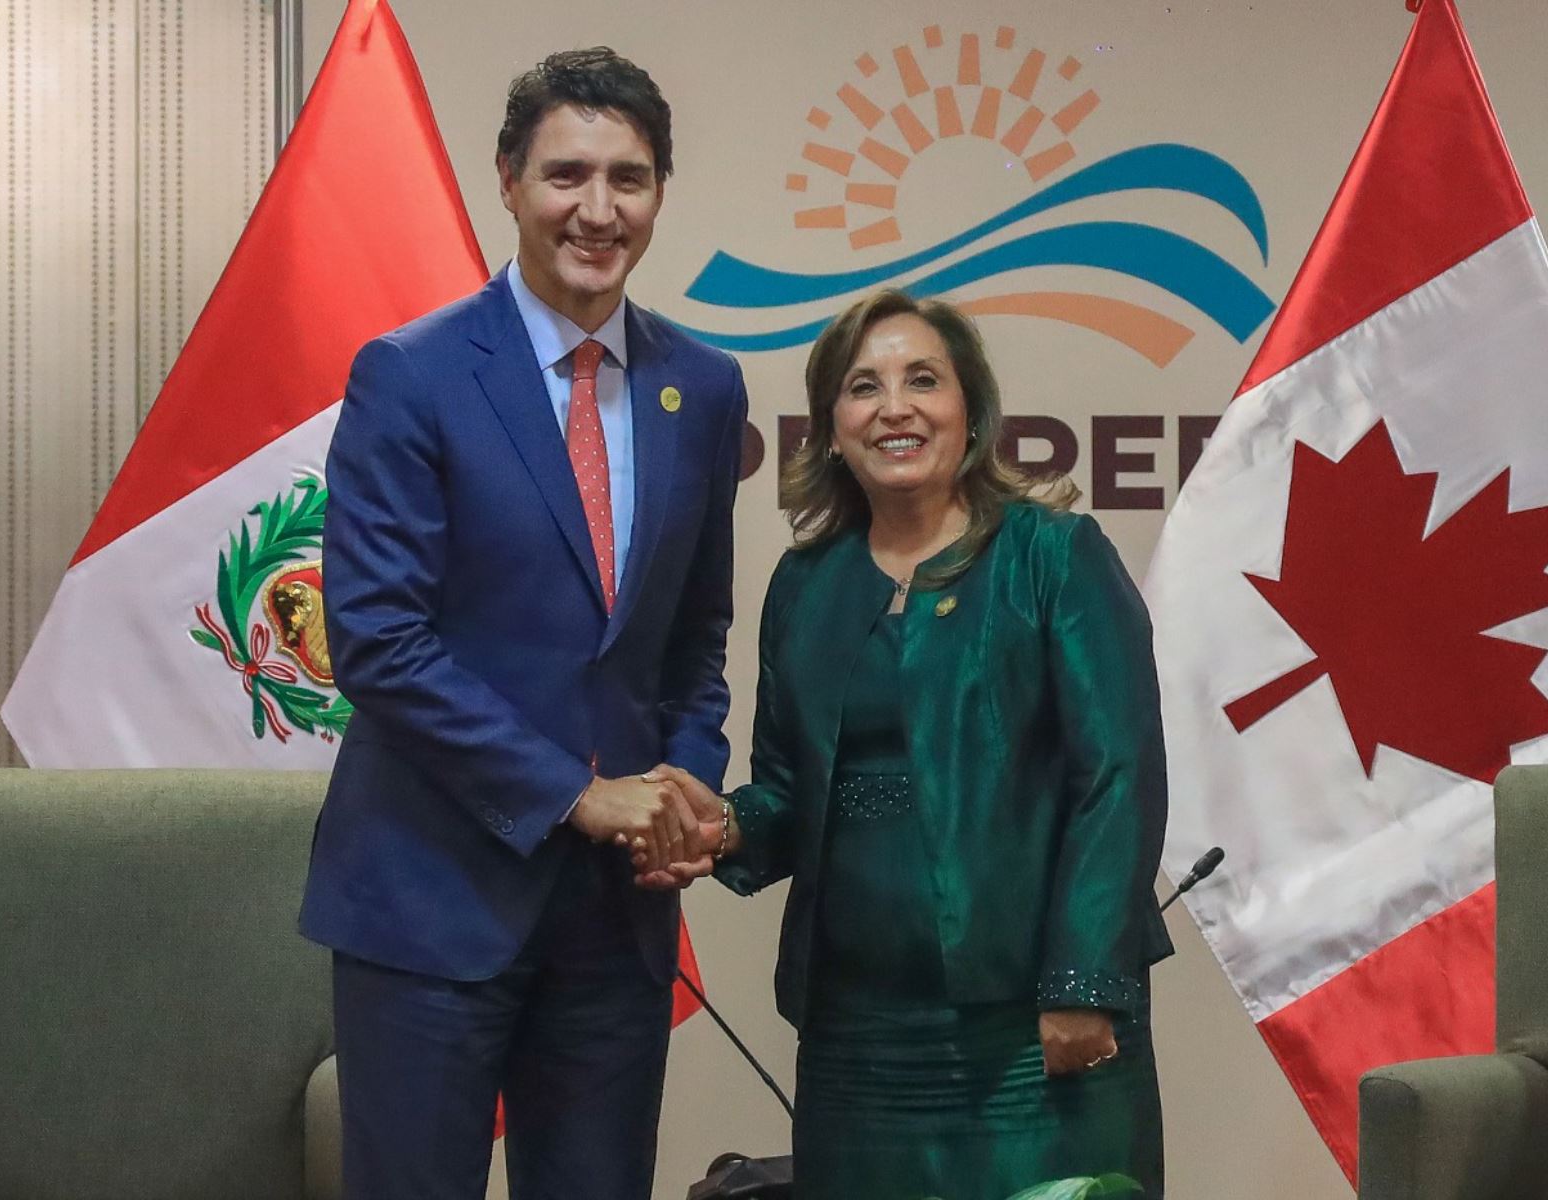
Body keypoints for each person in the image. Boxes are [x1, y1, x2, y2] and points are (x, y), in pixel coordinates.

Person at [299, 48, 744, 1200]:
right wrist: (578, 795)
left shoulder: (703, 387)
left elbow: (694, 639)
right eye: (567, 175)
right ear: (508, 179)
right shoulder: (413, 373)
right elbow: (380, 643)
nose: (598, 211)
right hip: (431, 902)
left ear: (658, 193)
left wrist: (686, 791)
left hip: (615, 927)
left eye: (630, 180)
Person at [650, 289, 1173, 1199]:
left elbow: (1118, 779)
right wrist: (721, 826)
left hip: (1032, 1029)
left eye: (922, 379)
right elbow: (787, 787)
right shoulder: (805, 585)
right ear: (832, 427)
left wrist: (1085, 980)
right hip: (858, 1044)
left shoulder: (1053, 556)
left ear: (969, 409)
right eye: (864, 387)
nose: (895, 406)